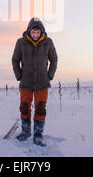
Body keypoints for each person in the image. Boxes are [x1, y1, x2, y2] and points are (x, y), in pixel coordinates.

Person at [11, 17, 58, 146]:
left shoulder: (48, 42)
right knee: (24, 108)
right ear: (29, 31)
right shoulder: (21, 42)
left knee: (40, 108)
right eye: (33, 32)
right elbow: (15, 60)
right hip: (26, 82)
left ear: (41, 32)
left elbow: (54, 60)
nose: (36, 35)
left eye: (38, 32)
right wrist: (19, 75)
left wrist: (50, 76)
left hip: (42, 82)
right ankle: (25, 132)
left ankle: (38, 135)